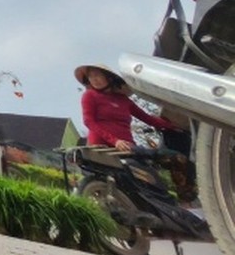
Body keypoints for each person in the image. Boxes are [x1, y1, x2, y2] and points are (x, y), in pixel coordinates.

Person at [75, 62, 196, 202]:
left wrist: (173, 126)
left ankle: (187, 201)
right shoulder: (90, 96)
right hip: (104, 148)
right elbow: (89, 122)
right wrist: (115, 141)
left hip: (129, 148)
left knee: (177, 158)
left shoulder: (123, 100)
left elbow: (147, 118)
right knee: (146, 175)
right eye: (90, 77)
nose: (94, 79)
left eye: (97, 75)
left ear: (108, 77)